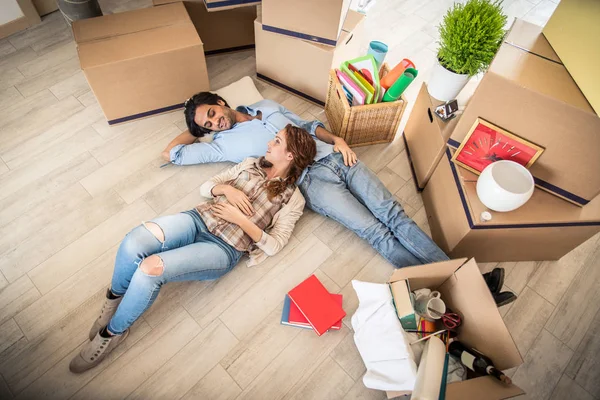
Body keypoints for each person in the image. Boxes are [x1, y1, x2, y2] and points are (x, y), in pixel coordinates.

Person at [70, 125, 317, 373]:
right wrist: (226, 190)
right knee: (135, 242)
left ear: (290, 155)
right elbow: (208, 186)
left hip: (223, 248)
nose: (268, 144)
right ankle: (113, 300)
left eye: (276, 142)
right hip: (197, 219)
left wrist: (239, 219)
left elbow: (274, 245)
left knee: (150, 269)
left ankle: (112, 333)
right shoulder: (250, 163)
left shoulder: (293, 198)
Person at [161, 92, 449, 269]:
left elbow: (309, 126)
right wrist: (195, 129)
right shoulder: (220, 146)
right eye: (207, 125)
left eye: (212, 114)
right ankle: (442, 282)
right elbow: (171, 153)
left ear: (220, 102)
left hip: (336, 156)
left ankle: (453, 272)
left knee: (394, 215)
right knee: (375, 232)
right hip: (311, 182)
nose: (215, 123)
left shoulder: (265, 104)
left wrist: (338, 140)